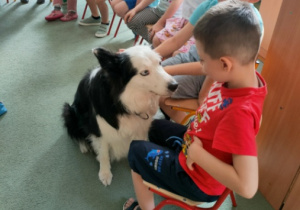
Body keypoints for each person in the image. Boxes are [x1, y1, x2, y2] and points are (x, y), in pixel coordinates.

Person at [123, 0, 267, 209]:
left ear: (225, 64)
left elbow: (247, 186)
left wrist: (198, 154)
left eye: (202, 60)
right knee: (148, 128)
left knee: (136, 151)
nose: (201, 66)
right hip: (195, 143)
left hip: (198, 179)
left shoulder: (240, 113)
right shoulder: (239, 76)